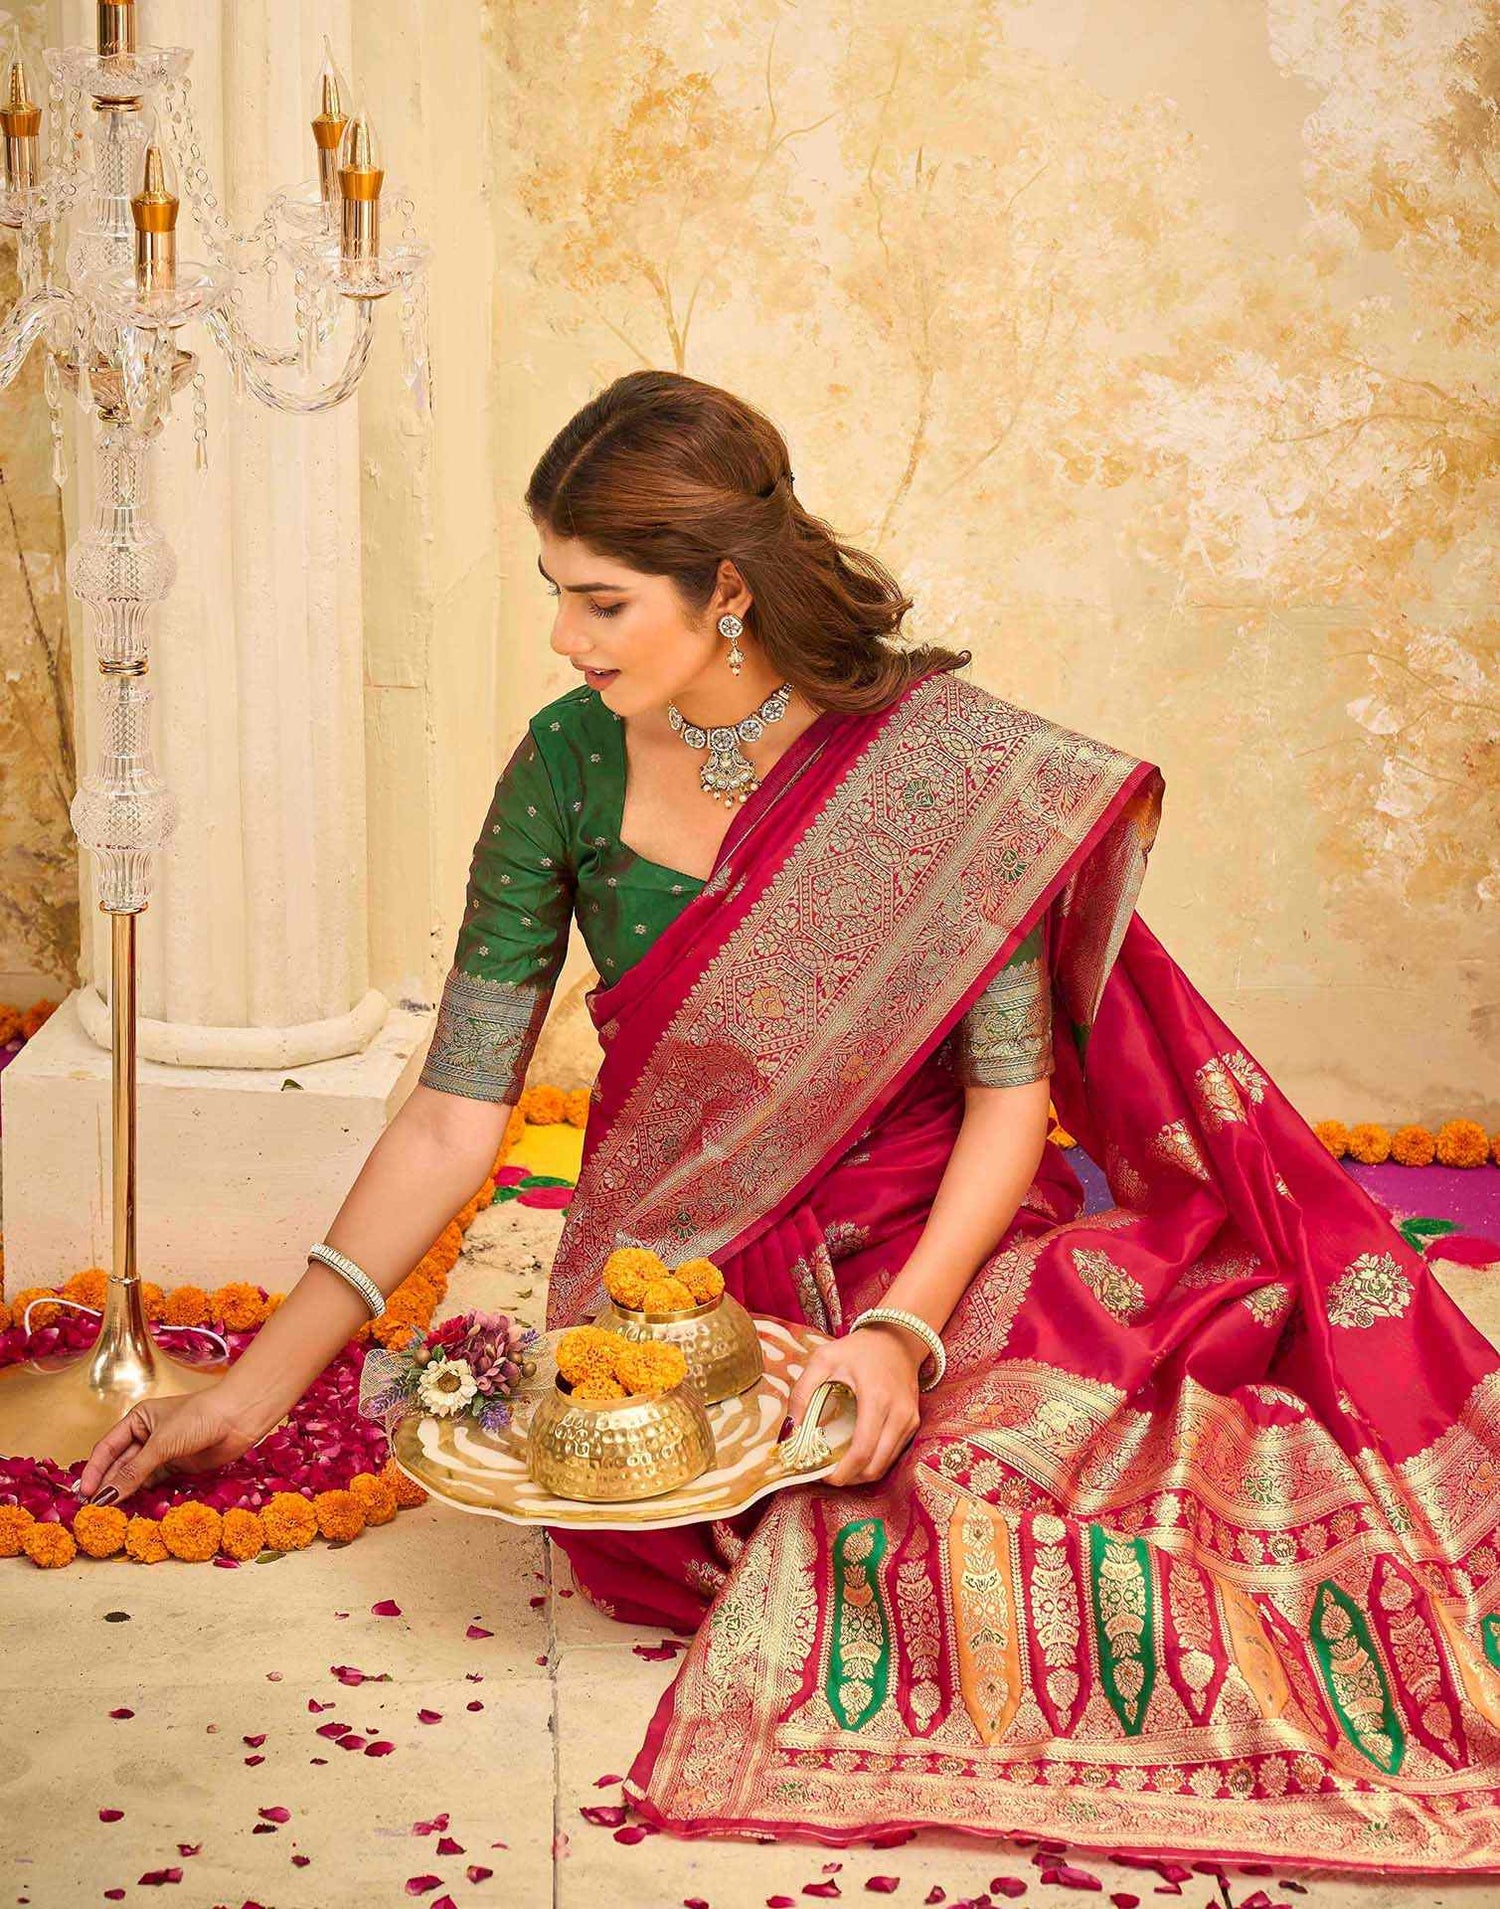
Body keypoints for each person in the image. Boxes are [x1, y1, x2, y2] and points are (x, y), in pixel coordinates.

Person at [77, 371, 1500, 1872]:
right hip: (676, 1284)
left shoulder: (947, 776)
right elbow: (454, 1107)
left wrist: (902, 1332)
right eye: (556, 593)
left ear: (727, 594)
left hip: (927, 1249)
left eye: (603, 602)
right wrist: (260, 1380)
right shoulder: (564, 769)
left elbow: (1012, 1104)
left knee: (1042, 1484)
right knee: (681, 1504)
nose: (564, 637)